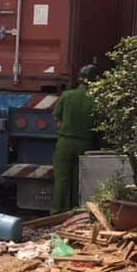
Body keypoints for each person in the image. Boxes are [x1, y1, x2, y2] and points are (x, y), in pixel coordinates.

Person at [50, 64, 99, 214]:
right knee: (80, 180)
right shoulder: (97, 100)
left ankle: (57, 211)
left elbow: (57, 120)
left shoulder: (67, 95)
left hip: (65, 142)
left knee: (61, 179)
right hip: (86, 144)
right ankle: (77, 211)